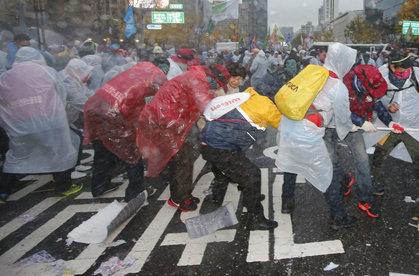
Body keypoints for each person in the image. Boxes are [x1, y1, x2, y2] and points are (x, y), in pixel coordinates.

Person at [276, 43, 359, 229]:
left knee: (290, 161)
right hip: (306, 131)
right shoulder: (338, 86)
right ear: (344, 63)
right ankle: (338, 217)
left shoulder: (313, 72)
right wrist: (352, 127)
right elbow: (343, 119)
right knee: (326, 173)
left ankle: (287, 201)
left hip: (289, 123)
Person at [0, 48, 82, 202]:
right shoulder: (47, 71)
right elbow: (61, 93)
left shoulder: (5, 77)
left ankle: (3, 191)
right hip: (48, 119)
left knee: (16, 156)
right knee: (59, 151)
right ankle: (63, 187)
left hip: (19, 123)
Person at [84, 58, 169, 201]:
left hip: (94, 105)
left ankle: (99, 185)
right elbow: (163, 103)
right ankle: (135, 192)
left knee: (103, 149)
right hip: (112, 113)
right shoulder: (156, 79)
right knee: (132, 153)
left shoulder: (137, 71)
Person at [200, 87, 282, 230]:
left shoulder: (251, 95)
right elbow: (283, 126)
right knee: (252, 175)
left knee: (231, 173)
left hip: (210, 141)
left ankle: (246, 197)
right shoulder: (268, 108)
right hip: (220, 147)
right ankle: (256, 218)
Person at [136, 65, 215, 211]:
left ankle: (183, 193)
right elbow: (205, 105)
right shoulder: (195, 80)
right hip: (166, 123)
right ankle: (179, 198)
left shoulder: (191, 77)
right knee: (181, 160)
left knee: (185, 158)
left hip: (169, 120)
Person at [369, 50, 419, 199]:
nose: (407, 72)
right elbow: (378, 96)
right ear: (392, 67)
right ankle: (377, 184)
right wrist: (387, 105)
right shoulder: (381, 74)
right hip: (391, 125)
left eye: (408, 69)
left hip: (413, 125)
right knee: (380, 155)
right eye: (403, 70)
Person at [342, 64, 401, 218]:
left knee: (362, 161)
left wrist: (389, 122)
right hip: (332, 124)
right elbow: (339, 109)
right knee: (329, 159)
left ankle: (365, 199)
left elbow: (377, 105)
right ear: (360, 82)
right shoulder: (342, 84)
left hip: (354, 127)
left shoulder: (371, 86)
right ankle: (344, 178)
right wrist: (360, 122)